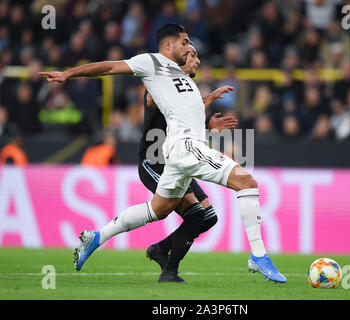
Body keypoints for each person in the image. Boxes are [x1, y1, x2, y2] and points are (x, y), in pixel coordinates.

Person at [40, 23, 287, 284]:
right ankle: (258, 255)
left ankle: (98, 236)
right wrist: (69, 74)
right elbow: (110, 67)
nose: (191, 49)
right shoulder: (152, 63)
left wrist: (208, 113)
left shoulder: (186, 82)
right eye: (185, 42)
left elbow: (185, 116)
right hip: (182, 149)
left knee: (157, 210)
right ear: (168, 44)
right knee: (246, 182)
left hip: (178, 151)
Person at [140, 44, 238, 279]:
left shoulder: (188, 91)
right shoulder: (161, 85)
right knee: (195, 214)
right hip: (155, 161)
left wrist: (208, 124)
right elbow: (154, 101)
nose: (197, 61)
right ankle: (169, 270)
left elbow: (186, 127)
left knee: (208, 217)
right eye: (192, 56)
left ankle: (161, 249)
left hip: (180, 159)